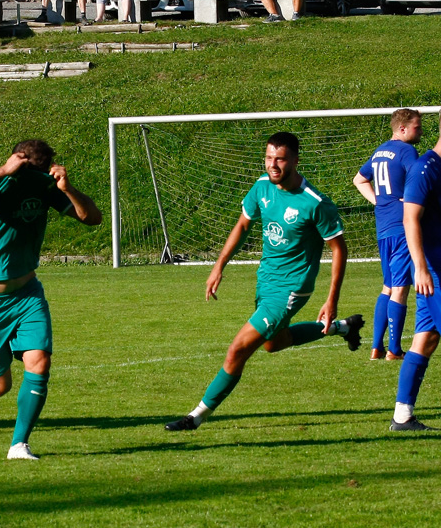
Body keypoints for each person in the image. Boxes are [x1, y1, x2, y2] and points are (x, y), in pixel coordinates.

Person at [164, 132, 363, 432]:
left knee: (237, 351)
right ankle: (343, 328)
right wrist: (219, 266)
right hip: (265, 281)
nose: (273, 165)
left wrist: (331, 299)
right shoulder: (261, 188)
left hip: (291, 288)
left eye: (280, 159)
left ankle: (196, 416)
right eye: (269, 158)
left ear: (295, 160)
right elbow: (243, 224)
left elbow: (339, 249)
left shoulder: (315, 203)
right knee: (273, 344)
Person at [0, 140, 100, 459]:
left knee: (40, 363)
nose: (35, 175)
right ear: (17, 161)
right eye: (30, 169)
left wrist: (68, 188)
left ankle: (19, 444)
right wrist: (4, 170)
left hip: (28, 294)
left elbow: (92, 218)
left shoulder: (46, 186)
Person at [353, 109, 422, 361]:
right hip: (402, 226)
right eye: (417, 126)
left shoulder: (379, 151)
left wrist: (379, 202)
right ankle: (394, 350)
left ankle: (376, 347)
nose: (421, 131)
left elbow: (359, 179)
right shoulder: (406, 151)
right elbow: (419, 179)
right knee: (401, 289)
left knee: (388, 286)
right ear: (402, 128)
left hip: (383, 227)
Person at [390, 114, 441, 431]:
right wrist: (420, 268)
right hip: (435, 271)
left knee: (427, 337)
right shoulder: (426, 168)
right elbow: (410, 219)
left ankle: (402, 415)